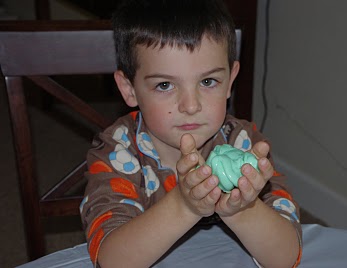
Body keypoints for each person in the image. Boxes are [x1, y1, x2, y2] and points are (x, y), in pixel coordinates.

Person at [80, 0, 302, 267]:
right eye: (164, 85)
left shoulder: (243, 143)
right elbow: (111, 261)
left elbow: (286, 258)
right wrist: (185, 206)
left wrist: (243, 209)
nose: (191, 106)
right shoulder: (117, 152)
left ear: (230, 81)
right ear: (129, 89)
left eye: (208, 82)